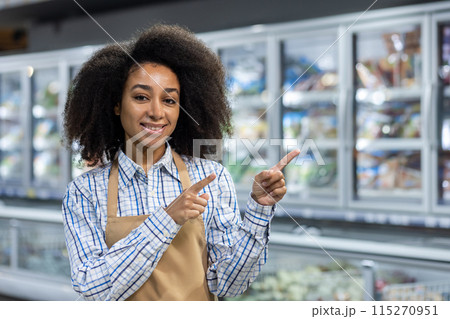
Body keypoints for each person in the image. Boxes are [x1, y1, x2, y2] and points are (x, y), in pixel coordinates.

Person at [62, 24, 300, 301]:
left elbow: (228, 285)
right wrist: (167, 219)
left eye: (170, 100)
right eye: (141, 97)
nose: (156, 112)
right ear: (116, 104)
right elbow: (93, 289)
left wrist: (259, 210)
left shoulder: (212, 177)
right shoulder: (84, 192)